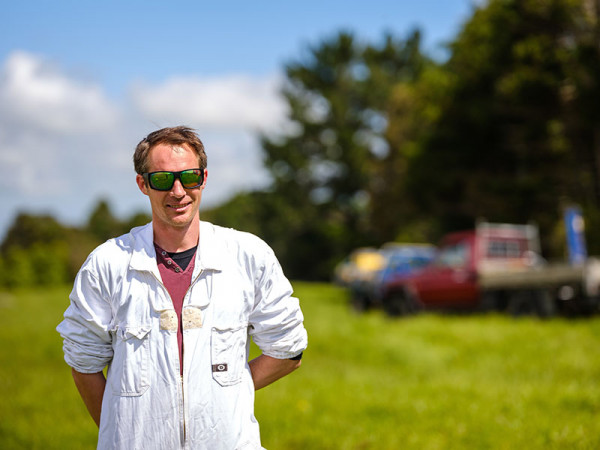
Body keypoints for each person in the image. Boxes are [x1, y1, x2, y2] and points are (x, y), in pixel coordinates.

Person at [57, 126, 308, 449]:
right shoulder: (107, 264)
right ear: (142, 184)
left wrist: (221, 390)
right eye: (162, 179)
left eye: (189, 177)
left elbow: (288, 350)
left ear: (203, 179)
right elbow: (84, 363)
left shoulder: (249, 256)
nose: (178, 191)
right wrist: (119, 432)